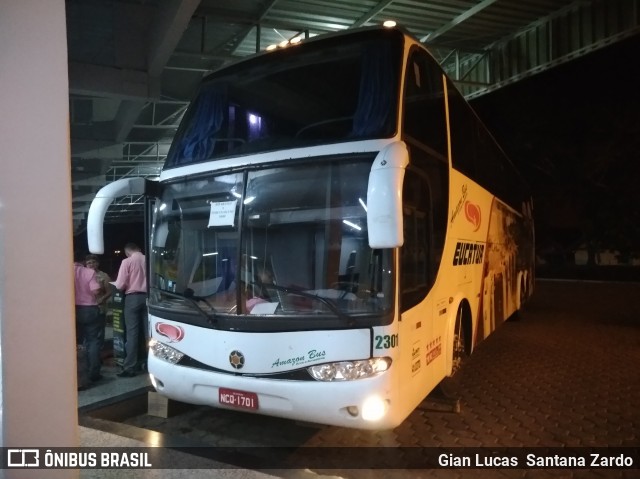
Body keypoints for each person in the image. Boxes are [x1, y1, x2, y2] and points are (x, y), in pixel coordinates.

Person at [114, 242, 148, 377]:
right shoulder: (148, 259)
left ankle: (130, 367)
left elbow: (120, 284)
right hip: (148, 298)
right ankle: (152, 364)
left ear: (127, 252)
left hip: (132, 298)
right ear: (139, 249)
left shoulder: (127, 261)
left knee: (132, 334)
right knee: (148, 333)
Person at [74, 251, 104, 387]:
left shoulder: (64, 271)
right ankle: (93, 373)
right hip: (89, 309)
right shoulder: (88, 272)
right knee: (92, 342)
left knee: (77, 342)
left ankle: (79, 374)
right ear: (82, 261)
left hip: (73, 309)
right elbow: (96, 290)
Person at [85, 254, 112, 361]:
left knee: (99, 334)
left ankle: (97, 358)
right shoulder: (83, 275)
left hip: (99, 308)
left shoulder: (103, 276)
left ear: (97, 263)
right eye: (89, 263)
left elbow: (110, 291)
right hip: (85, 309)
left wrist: (102, 299)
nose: (91, 265)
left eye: (93, 262)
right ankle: (88, 357)